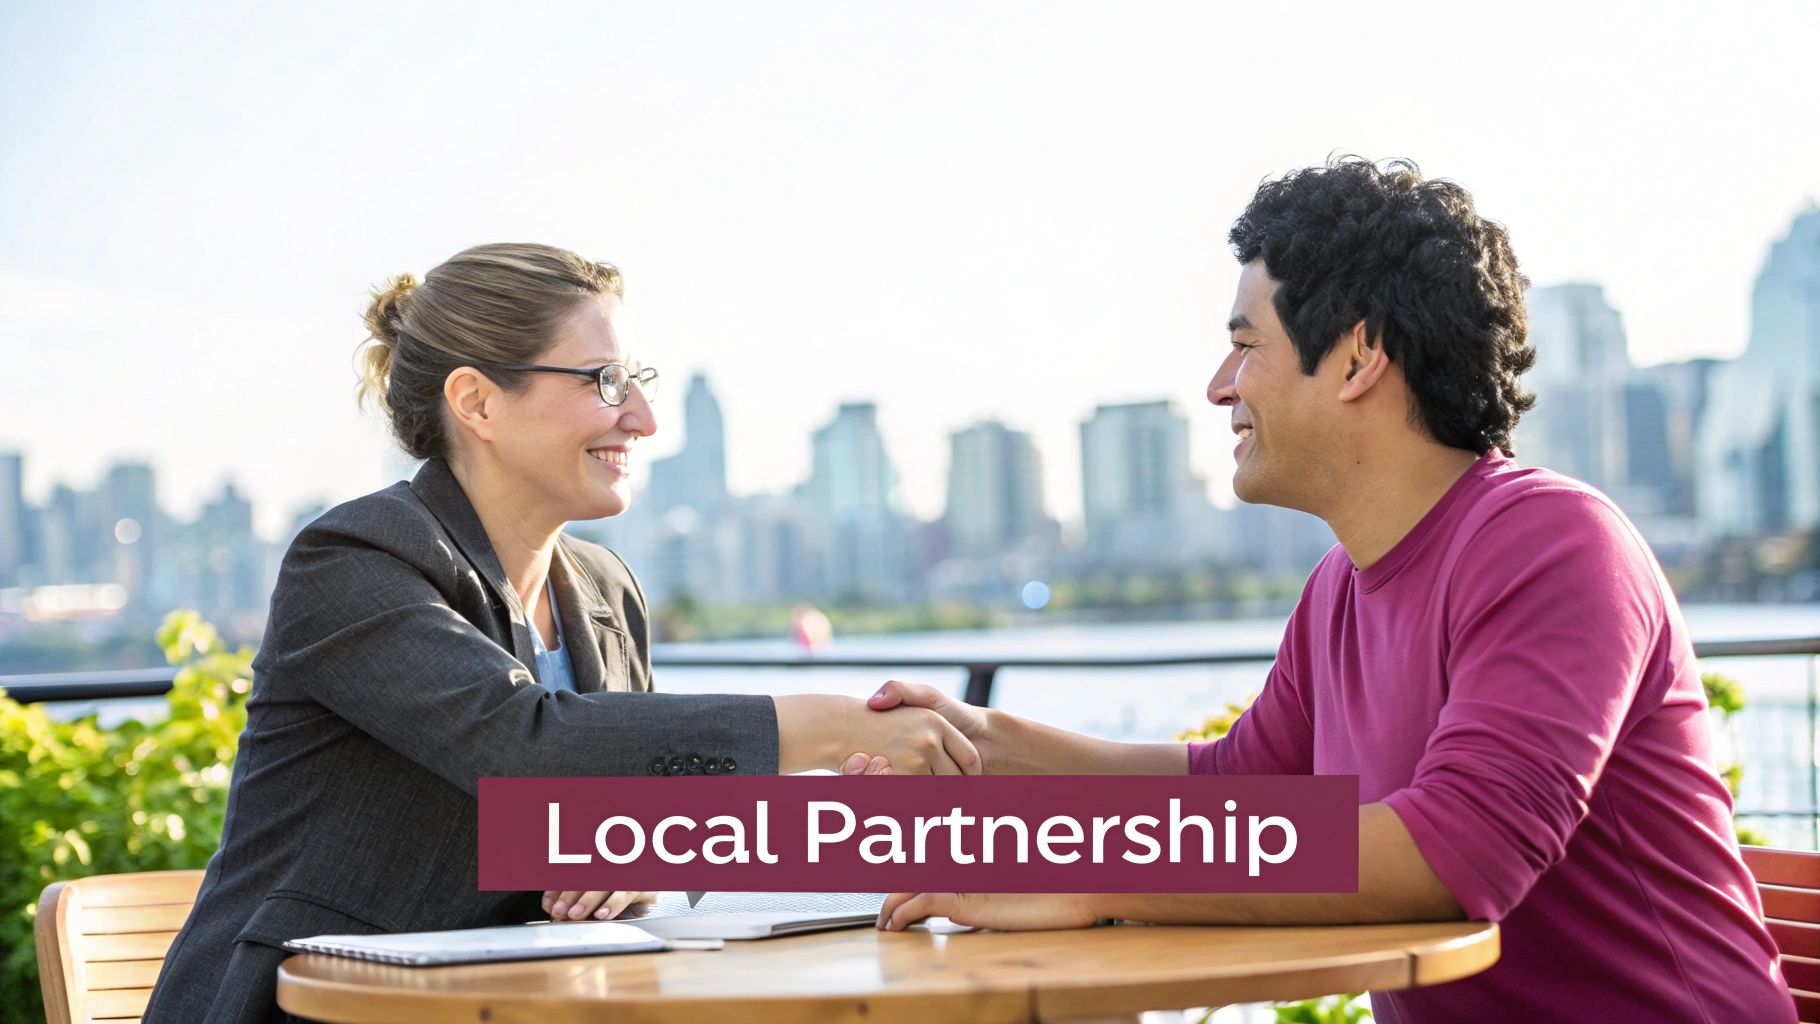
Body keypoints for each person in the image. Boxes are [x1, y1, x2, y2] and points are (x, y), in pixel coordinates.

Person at [848, 160, 1796, 1023]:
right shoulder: (1340, 589)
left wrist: (1095, 871)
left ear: (1358, 357)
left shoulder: (1552, 545)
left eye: (1245, 344)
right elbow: (1237, 786)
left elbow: (1457, 855)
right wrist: (986, 746)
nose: (1221, 387)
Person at [144, 243, 980, 1024]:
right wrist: (830, 727)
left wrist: (637, 867)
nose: (644, 418)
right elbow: (520, 746)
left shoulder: (607, 587)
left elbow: (635, 807)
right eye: (605, 379)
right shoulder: (354, 560)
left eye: (638, 379)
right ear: (476, 402)